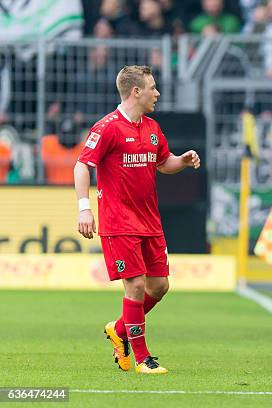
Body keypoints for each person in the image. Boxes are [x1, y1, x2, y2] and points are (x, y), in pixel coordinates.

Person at [74, 65, 201, 374]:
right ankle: (143, 359)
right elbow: (82, 165)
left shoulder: (153, 127)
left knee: (159, 287)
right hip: (119, 222)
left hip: (150, 222)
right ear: (135, 92)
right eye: (152, 88)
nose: (157, 93)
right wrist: (84, 208)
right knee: (135, 286)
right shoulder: (107, 128)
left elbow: (163, 163)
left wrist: (181, 161)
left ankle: (119, 329)